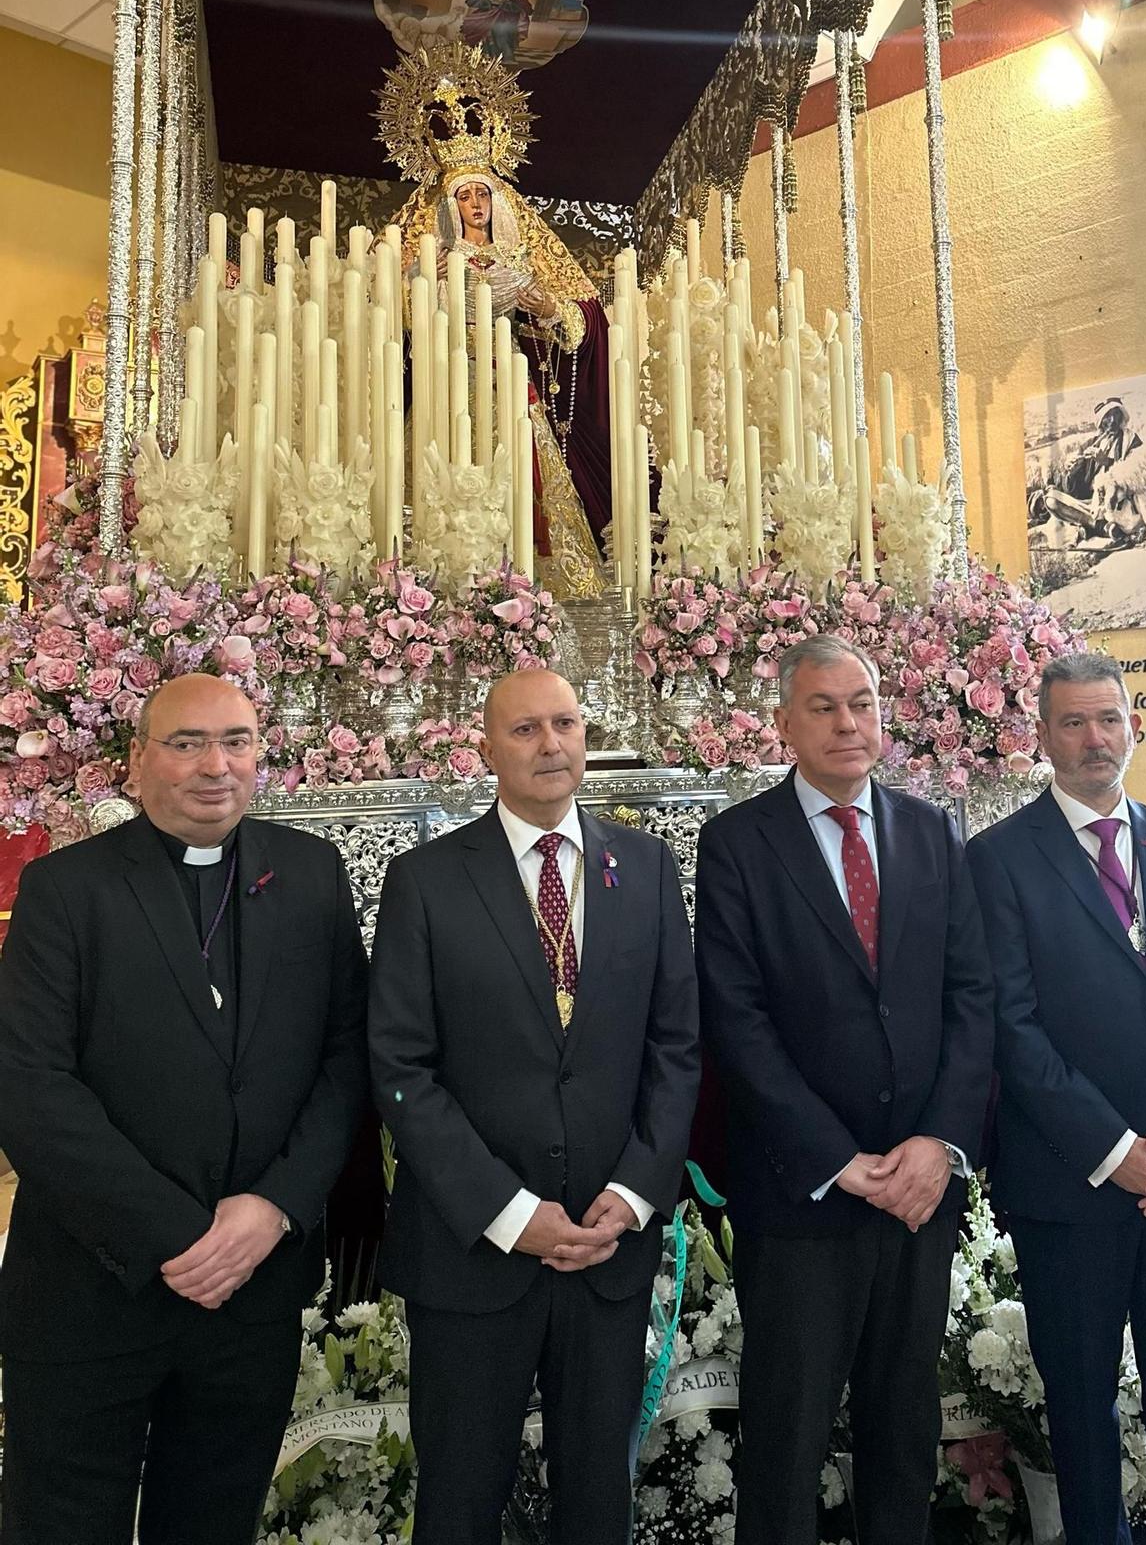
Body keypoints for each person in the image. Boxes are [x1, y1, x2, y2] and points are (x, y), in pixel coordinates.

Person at [0, 673, 368, 1545]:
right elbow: (28, 1084)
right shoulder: (65, 889)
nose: (216, 766)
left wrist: (274, 1209)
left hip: (249, 1297)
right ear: (136, 763)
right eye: (187, 743)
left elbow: (347, 1059)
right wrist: (179, 1235)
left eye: (236, 741)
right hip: (93, 1291)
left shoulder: (310, 874)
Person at [368, 668, 699, 1545]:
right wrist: (512, 1214)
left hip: (605, 1248)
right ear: (486, 749)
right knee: (460, 1499)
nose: (551, 744)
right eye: (526, 730)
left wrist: (631, 1196)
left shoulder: (648, 865)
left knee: (598, 1503)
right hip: (473, 1255)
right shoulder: (426, 879)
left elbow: (677, 1047)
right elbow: (401, 1066)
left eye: (566, 724)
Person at [693, 635, 994, 1545]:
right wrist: (838, 1160)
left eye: (861, 702)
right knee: (787, 1434)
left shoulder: (932, 829)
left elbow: (971, 999)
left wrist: (938, 1146)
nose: (846, 723)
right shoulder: (738, 842)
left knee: (903, 1426)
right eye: (822, 706)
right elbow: (736, 1021)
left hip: (917, 1194)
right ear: (783, 724)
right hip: (804, 1195)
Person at [968, 650, 1146, 1544]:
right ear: (1042, 736)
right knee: (1082, 1406)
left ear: (1133, 725)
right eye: (1075, 723)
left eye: (1110, 719)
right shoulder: (999, 859)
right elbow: (1012, 1027)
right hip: (1071, 1185)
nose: (1096, 739)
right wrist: (1113, 1151)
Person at [380, 39, 609, 593]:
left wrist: (549, 308)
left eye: (484, 193)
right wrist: (419, 287)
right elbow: (396, 325)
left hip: (509, 381)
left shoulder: (519, 258)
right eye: (464, 197)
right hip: (446, 380)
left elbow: (577, 325)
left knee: (524, 477)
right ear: (448, 206)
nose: (476, 204)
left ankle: (530, 578)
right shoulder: (429, 262)